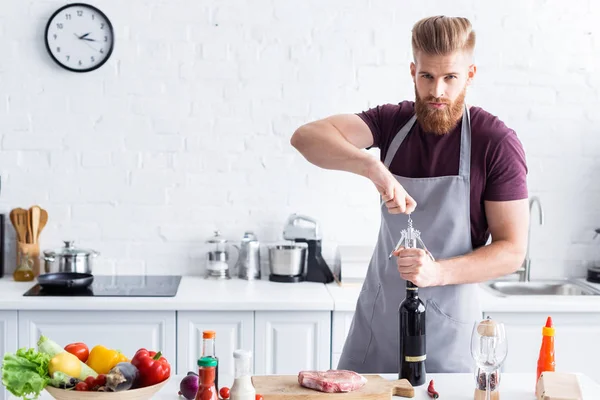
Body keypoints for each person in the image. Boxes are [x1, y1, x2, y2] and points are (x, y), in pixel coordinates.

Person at [290, 15, 530, 373]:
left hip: (449, 335)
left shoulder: (494, 142)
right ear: (413, 70)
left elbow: (512, 252)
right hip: (378, 327)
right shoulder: (391, 123)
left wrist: (436, 273)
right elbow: (305, 138)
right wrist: (372, 167)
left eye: (451, 77)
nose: (437, 92)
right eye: (427, 77)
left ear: (471, 74)